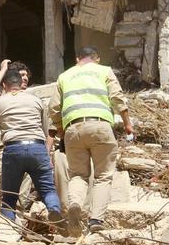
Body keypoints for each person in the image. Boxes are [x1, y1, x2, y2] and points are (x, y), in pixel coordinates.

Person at [52, 47, 131, 234]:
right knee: (103, 176)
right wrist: (128, 123)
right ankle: (96, 220)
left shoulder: (64, 76)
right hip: (100, 127)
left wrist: (62, 130)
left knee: (78, 175)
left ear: (78, 58)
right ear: (97, 59)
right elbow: (117, 97)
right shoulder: (104, 70)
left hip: (73, 129)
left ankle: (76, 203)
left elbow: (54, 108)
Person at [0, 68, 61, 224]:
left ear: (4, 85)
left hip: (13, 149)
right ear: (21, 83)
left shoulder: (0, 101)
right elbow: (46, 129)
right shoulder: (35, 100)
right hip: (37, 148)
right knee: (48, 189)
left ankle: (9, 226)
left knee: (9, 195)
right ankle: (54, 209)